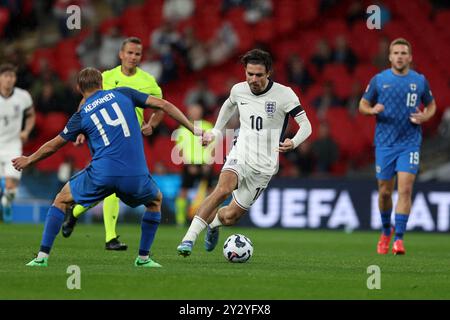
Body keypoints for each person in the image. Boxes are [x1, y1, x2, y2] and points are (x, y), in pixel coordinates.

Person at [13, 67, 202, 267]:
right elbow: (163, 105)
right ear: (102, 83)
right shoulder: (124, 93)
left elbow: (53, 145)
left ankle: (42, 257)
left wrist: (29, 159)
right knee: (155, 201)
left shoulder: (81, 114)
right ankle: (144, 258)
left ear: (79, 88)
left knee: (61, 200)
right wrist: (193, 128)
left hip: (102, 173)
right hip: (134, 174)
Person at [176, 49, 312, 256]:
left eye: (258, 75)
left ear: (268, 73)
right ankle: (188, 239)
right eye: (250, 74)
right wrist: (215, 131)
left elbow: (306, 125)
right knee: (222, 189)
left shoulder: (284, 94)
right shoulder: (238, 90)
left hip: (265, 165)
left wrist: (293, 142)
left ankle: (213, 226)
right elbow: (228, 106)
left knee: (231, 216)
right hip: (241, 153)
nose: (253, 79)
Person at [70, 37, 164, 251]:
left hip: (131, 140)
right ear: (121, 54)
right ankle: (110, 238)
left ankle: (74, 212)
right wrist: (79, 130)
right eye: (129, 53)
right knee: (111, 185)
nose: (133, 57)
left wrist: (152, 124)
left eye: (137, 54)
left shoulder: (148, 80)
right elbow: (86, 101)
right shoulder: (106, 77)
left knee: (109, 185)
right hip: (104, 139)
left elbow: (160, 106)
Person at [359, 38, 436, 255]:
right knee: (384, 192)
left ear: (410, 57)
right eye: (396, 53)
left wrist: (425, 116)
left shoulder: (419, 81)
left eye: (404, 53)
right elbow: (362, 104)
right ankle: (386, 231)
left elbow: (431, 105)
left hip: (410, 143)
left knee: (405, 189)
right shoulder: (379, 80)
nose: (400, 56)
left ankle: (399, 239)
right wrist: (372, 110)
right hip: (385, 144)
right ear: (390, 57)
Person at [0, 63, 35, 223]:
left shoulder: (23, 96)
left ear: (15, 79)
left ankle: (6, 202)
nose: (8, 79)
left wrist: (26, 131)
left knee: (11, 188)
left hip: (13, 145)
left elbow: (31, 115)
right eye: (5, 76)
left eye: (11, 76)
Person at [174, 103, 214, 227]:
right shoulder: (182, 129)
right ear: (188, 112)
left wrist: (208, 164)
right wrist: (188, 164)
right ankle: (180, 220)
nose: (195, 113)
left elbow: (213, 146)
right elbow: (180, 149)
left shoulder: (208, 126)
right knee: (183, 191)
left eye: (198, 110)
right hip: (190, 164)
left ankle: (211, 219)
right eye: (193, 110)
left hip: (205, 164)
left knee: (212, 193)